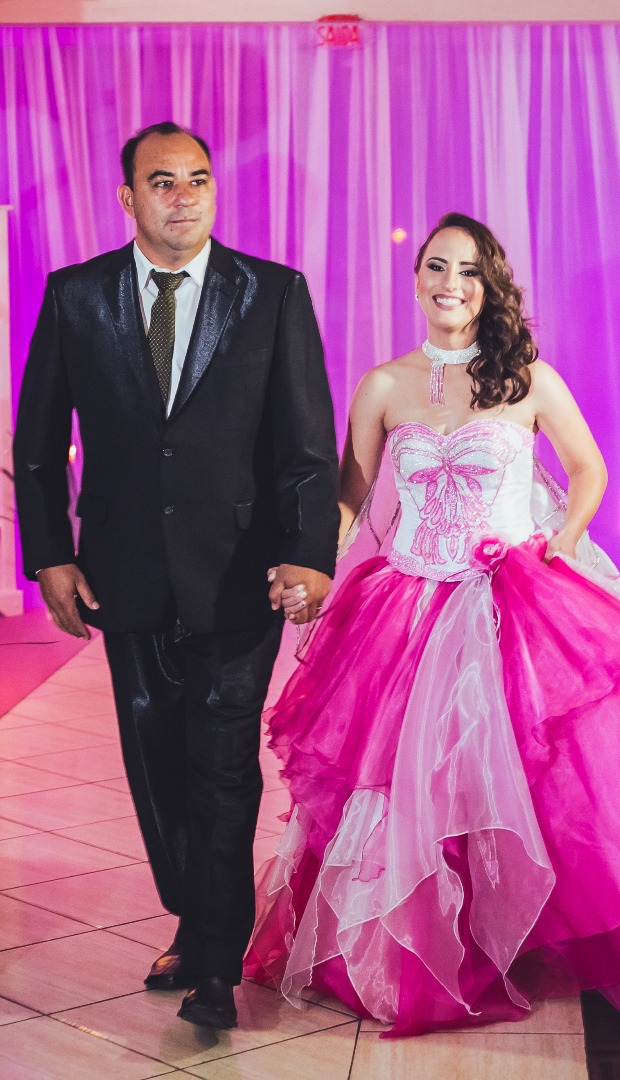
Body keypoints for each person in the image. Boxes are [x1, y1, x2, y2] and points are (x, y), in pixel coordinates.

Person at [243, 212, 620, 1037]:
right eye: (437, 267)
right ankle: (412, 946)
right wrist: (314, 563)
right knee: (405, 782)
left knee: (521, 776)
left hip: (508, 595)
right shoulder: (383, 385)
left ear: (488, 285)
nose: (450, 284)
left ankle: (519, 932)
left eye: (468, 271)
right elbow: (351, 497)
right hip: (404, 605)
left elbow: (586, 467)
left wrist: (563, 539)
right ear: (416, 279)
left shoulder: (527, 377)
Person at [13, 121, 339, 1031]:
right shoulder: (75, 296)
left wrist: (309, 554)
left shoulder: (271, 292)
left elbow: (307, 444)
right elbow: (37, 444)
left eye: (198, 179)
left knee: (222, 763)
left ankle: (216, 963)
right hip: (123, 574)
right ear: (129, 198)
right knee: (155, 762)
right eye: (163, 182)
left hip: (239, 576)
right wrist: (51, 554)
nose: (184, 196)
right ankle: (195, 920)